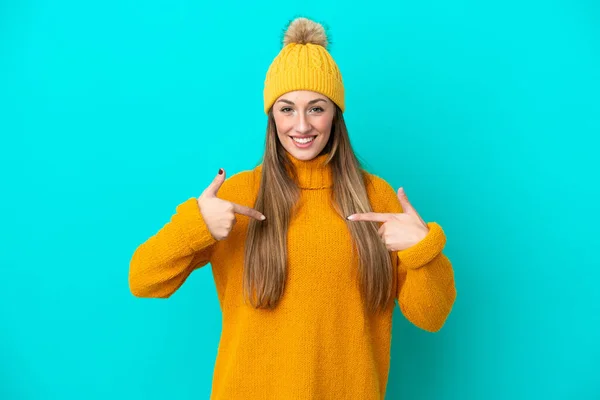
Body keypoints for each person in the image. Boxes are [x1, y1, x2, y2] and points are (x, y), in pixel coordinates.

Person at [129, 16, 457, 400]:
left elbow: (431, 316)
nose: (301, 125)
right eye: (286, 109)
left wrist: (423, 251)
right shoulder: (238, 196)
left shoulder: (376, 198)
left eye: (316, 108)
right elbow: (143, 279)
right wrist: (195, 226)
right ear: (272, 117)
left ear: (335, 114)